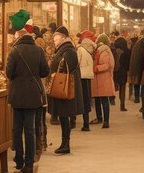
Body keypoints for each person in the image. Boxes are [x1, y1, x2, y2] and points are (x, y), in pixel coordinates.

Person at [5, 14, 49, 173]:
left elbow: (9, 73)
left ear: (17, 37)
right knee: (30, 129)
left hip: (17, 96)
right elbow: (45, 71)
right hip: (33, 96)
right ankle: (29, 164)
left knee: (17, 128)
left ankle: (18, 160)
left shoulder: (14, 51)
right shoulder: (38, 50)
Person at [49, 26, 84, 154]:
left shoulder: (68, 50)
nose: (54, 39)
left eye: (56, 37)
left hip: (66, 87)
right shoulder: (64, 49)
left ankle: (66, 144)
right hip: (63, 86)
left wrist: (55, 65)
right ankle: (64, 143)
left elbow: (66, 66)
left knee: (64, 116)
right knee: (63, 116)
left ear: (63, 37)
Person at [91, 34, 115, 128]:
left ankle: (106, 121)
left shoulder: (104, 51)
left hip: (103, 78)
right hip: (99, 79)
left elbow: (107, 65)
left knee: (104, 100)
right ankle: (100, 118)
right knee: (98, 99)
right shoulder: (100, 51)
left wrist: (96, 68)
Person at [77, 30, 96, 131]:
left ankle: (83, 124)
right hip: (88, 76)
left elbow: (76, 62)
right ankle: (86, 123)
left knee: (81, 100)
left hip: (81, 76)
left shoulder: (80, 49)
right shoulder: (92, 48)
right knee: (87, 100)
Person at [129, 29, 144, 105]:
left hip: (137, 65)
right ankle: (142, 97)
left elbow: (133, 56)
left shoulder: (137, 44)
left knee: (137, 83)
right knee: (143, 83)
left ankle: (137, 97)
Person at [113, 35, 130, 111]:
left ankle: (112, 99)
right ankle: (122, 105)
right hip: (123, 72)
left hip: (115, 71)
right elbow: (128, 62)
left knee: (113, 86)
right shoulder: (127, 50)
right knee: (122, 88)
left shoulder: (114, 50)